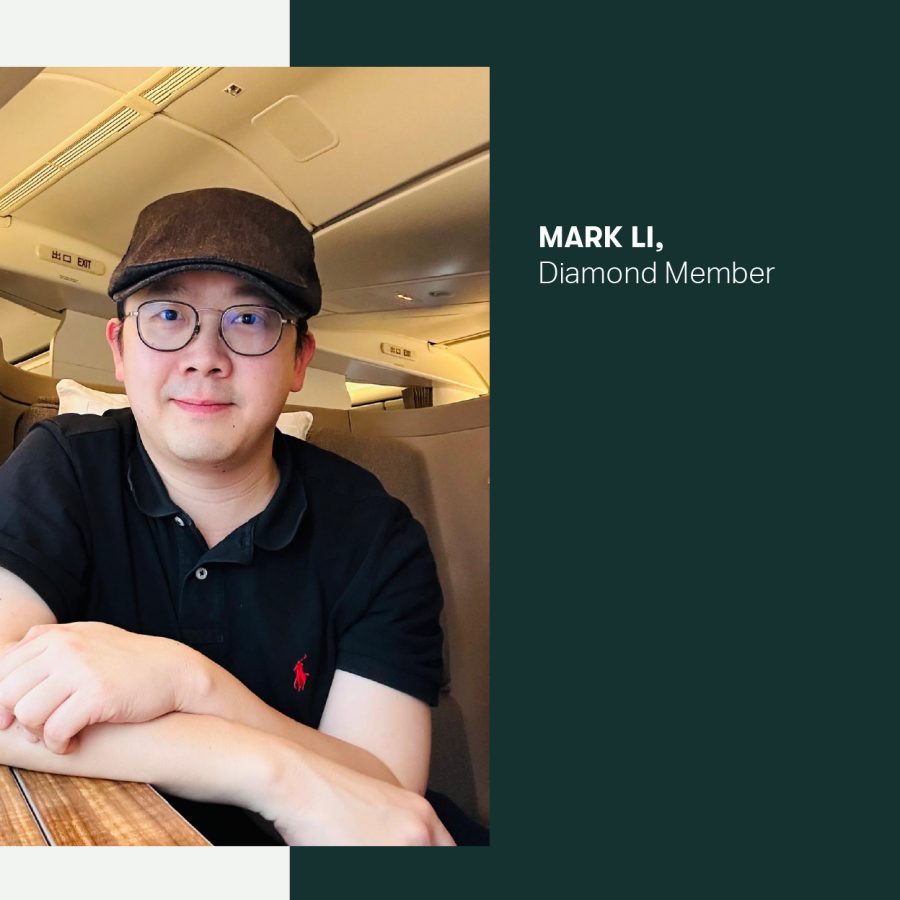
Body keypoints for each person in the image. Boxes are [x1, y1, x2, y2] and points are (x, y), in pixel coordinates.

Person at [0, 187, 460, 845]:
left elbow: (381, 802)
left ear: (299, 359)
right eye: (166, 315)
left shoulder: (376, 535)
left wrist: (190, 682)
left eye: (249, 320)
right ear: (119, 349)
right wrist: (270, 773)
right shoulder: (63, 467)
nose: (205, 357)